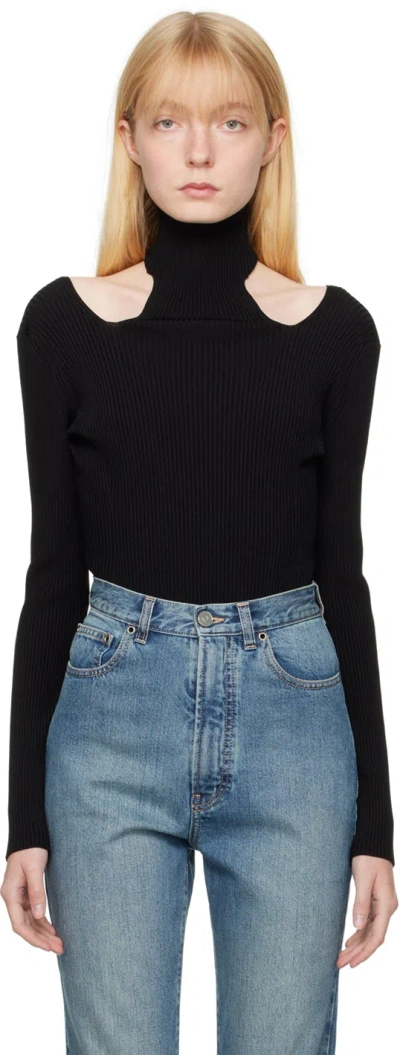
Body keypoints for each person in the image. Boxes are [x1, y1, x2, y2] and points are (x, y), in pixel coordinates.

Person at [1, 10, 397, 1055]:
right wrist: (22, 820)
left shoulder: (337, 332)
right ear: (128, 138)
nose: (199, 151)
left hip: (294, 721)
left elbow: (344, 574)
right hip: (108, 718)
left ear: (273, 139)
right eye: (169, 121)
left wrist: (378, 826)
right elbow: (51, 576)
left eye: (230, 121)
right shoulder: (61, 325)